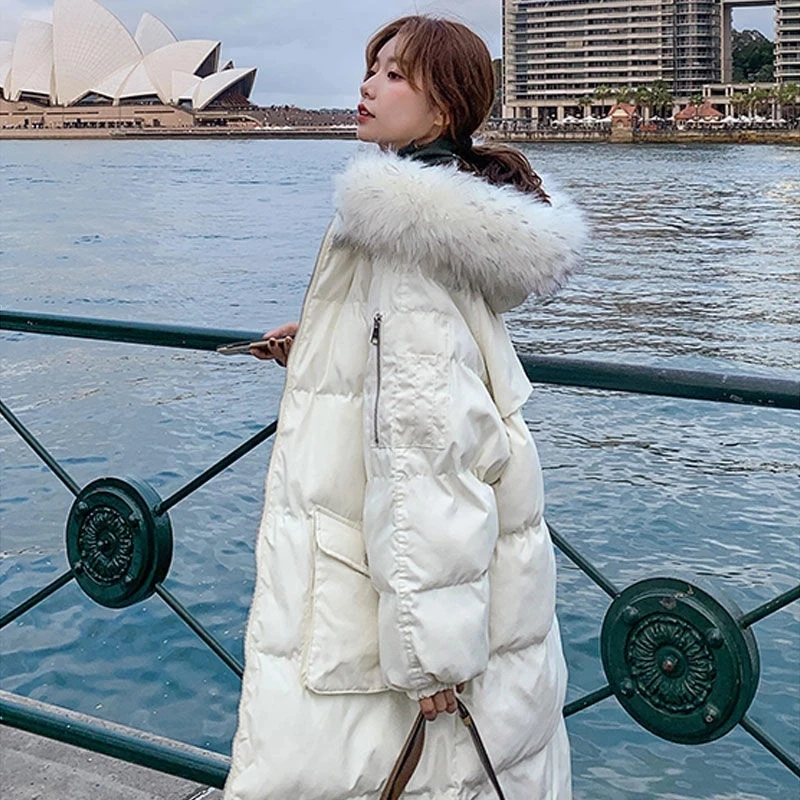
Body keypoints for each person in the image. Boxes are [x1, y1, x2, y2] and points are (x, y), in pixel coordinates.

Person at [225, 15, 586, 800]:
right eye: (372, 68)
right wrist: (325, 340)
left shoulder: (404, 238)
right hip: (457, 586)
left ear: (444, 106)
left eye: (394, 74)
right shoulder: (438, 224)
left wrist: (432, 657)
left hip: (401, 611)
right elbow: (426, 364)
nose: (367, 86)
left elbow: (429, 450)